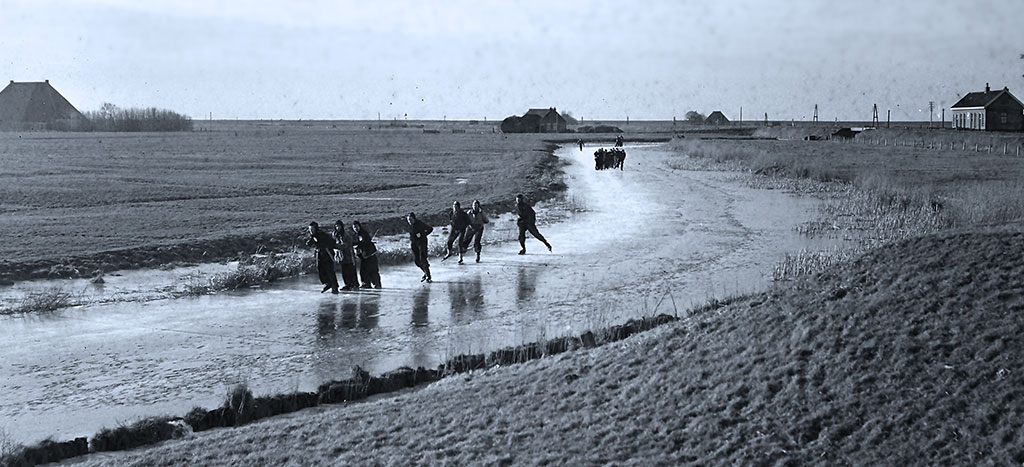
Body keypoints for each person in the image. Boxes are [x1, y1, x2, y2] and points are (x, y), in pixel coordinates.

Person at [305, 221, 339, 294]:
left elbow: (331, 242)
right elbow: (311, 242)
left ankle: (334, 286)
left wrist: (323, 245)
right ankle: (328, 283)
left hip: (327, 253)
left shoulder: (322, 234)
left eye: (312, 229)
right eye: (310, 229)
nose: (310, 231)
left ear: (316, 229)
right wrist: (309, 243)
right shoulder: (313, 235)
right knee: (320, 268)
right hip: (320, 253)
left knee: (329, 270)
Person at [351, 220, 382, 289]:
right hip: (364, 256)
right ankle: (366, 283)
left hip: (370, 254)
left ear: (359, 226)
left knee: (373, 270)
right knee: (364, 271)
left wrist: (356, 244)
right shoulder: (356, 235)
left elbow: (364, 242)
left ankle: (376, 284)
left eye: (356, 227)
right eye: (354, 227)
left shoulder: (363, 233)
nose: (355, 228)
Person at [332, 220, 360, 290]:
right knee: (344, 271)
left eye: (339, 226)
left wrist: (336, 246)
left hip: (349, 255)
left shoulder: (346, 235)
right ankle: (347, 284)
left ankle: (355, 284)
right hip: (341, 256)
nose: (337, 228)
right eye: (336, 226)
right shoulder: (335, 234)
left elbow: (347, 245)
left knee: (351, 270)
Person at [407, 212, 433, 282]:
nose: (409, 221)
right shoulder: (410, 225)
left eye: (411, 219)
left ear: (414, 218)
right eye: (408, 220)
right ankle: (425, 272)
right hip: (414, 244)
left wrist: (423, 234)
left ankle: (428, 275)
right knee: (417, 261)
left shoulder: (420, 224)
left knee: (423, 259)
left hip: (422, 243)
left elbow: (430, 229)